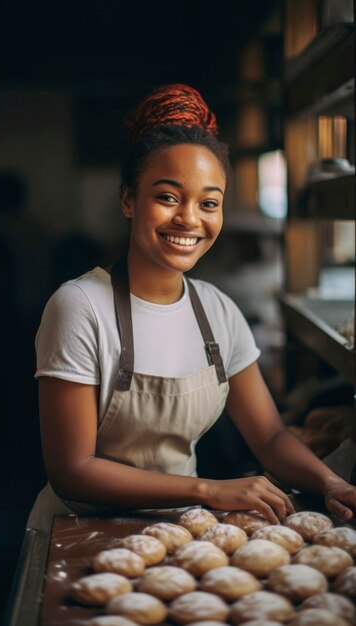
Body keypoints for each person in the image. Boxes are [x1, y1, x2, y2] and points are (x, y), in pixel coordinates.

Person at [27, 84, 356, 534]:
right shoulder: (79, 307)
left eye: (209, 203)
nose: (189, 219)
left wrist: (332, 482)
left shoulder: (218, 311)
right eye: (167, 197)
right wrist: (208, 489)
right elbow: (72, 469)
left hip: (182, 532)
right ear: (129, 200)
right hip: (78, 532)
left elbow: (270, 437)